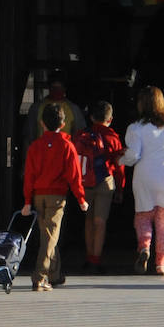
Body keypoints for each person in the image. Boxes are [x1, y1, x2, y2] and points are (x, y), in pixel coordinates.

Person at [22, 104, 89, 291]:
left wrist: (27, 201)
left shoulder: (35, 146)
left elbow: (29, 176)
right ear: (64, 123)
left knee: (48, 235)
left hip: (38, 195)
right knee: (50, 236)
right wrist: (81, 198)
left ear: (42, 123)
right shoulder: (67, 146)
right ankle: (40, 276)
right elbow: (74, 175)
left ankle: (56, 274)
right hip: (57, 196)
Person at [120, 85, 164, 276]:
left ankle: (144, 248)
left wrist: (120, 160)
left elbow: (133, 155)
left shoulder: (135, 128)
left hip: (145, 177)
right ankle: (161, 265)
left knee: (143, 217)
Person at [73, 101, 126, 274]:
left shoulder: (81, 135)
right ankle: (96, 258)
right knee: (100, 222)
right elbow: (119, 165)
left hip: (85, 183)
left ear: (91, 117)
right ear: (110, 119)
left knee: (88, 221)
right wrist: (120, 187)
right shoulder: (113, 137)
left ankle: (88, 257)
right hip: (105, 182)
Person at [27, 78, 86, 142]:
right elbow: (28, 135)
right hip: (42, 149)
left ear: (64, 89)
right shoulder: (36, 108)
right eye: (53, 87)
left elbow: (80, 134)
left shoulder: (74, 109)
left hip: (64, 149)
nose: (56, 90)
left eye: (59, 88)